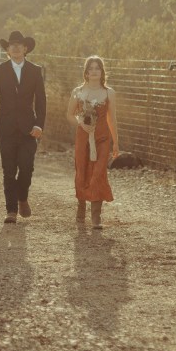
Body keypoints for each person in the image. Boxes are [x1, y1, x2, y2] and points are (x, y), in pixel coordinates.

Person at [0, 30, 46, 223]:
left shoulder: (35, 70)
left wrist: (39, 125)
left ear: (25, 49)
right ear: (7, 50)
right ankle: (11, 210)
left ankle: (22, 197)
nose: (15, 47)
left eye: (19, 44)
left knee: (26, 168)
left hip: (28, 128)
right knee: (8, 169)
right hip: (6, 127)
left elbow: (41, 100)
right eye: (11, 45)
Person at [66, 56, 120, 229]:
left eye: (98, 68)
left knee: (98, 172)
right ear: (86, 72)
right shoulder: (78, 91)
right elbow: (69, 114)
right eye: (91, 68)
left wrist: (116, 142)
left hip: (103, 138)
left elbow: (112, 119)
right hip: (83, 136)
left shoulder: (109, 92)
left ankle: (96, 216)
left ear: (102, 71)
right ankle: (81, 207)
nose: (95, 71)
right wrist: (81, 122)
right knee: (82, 170)